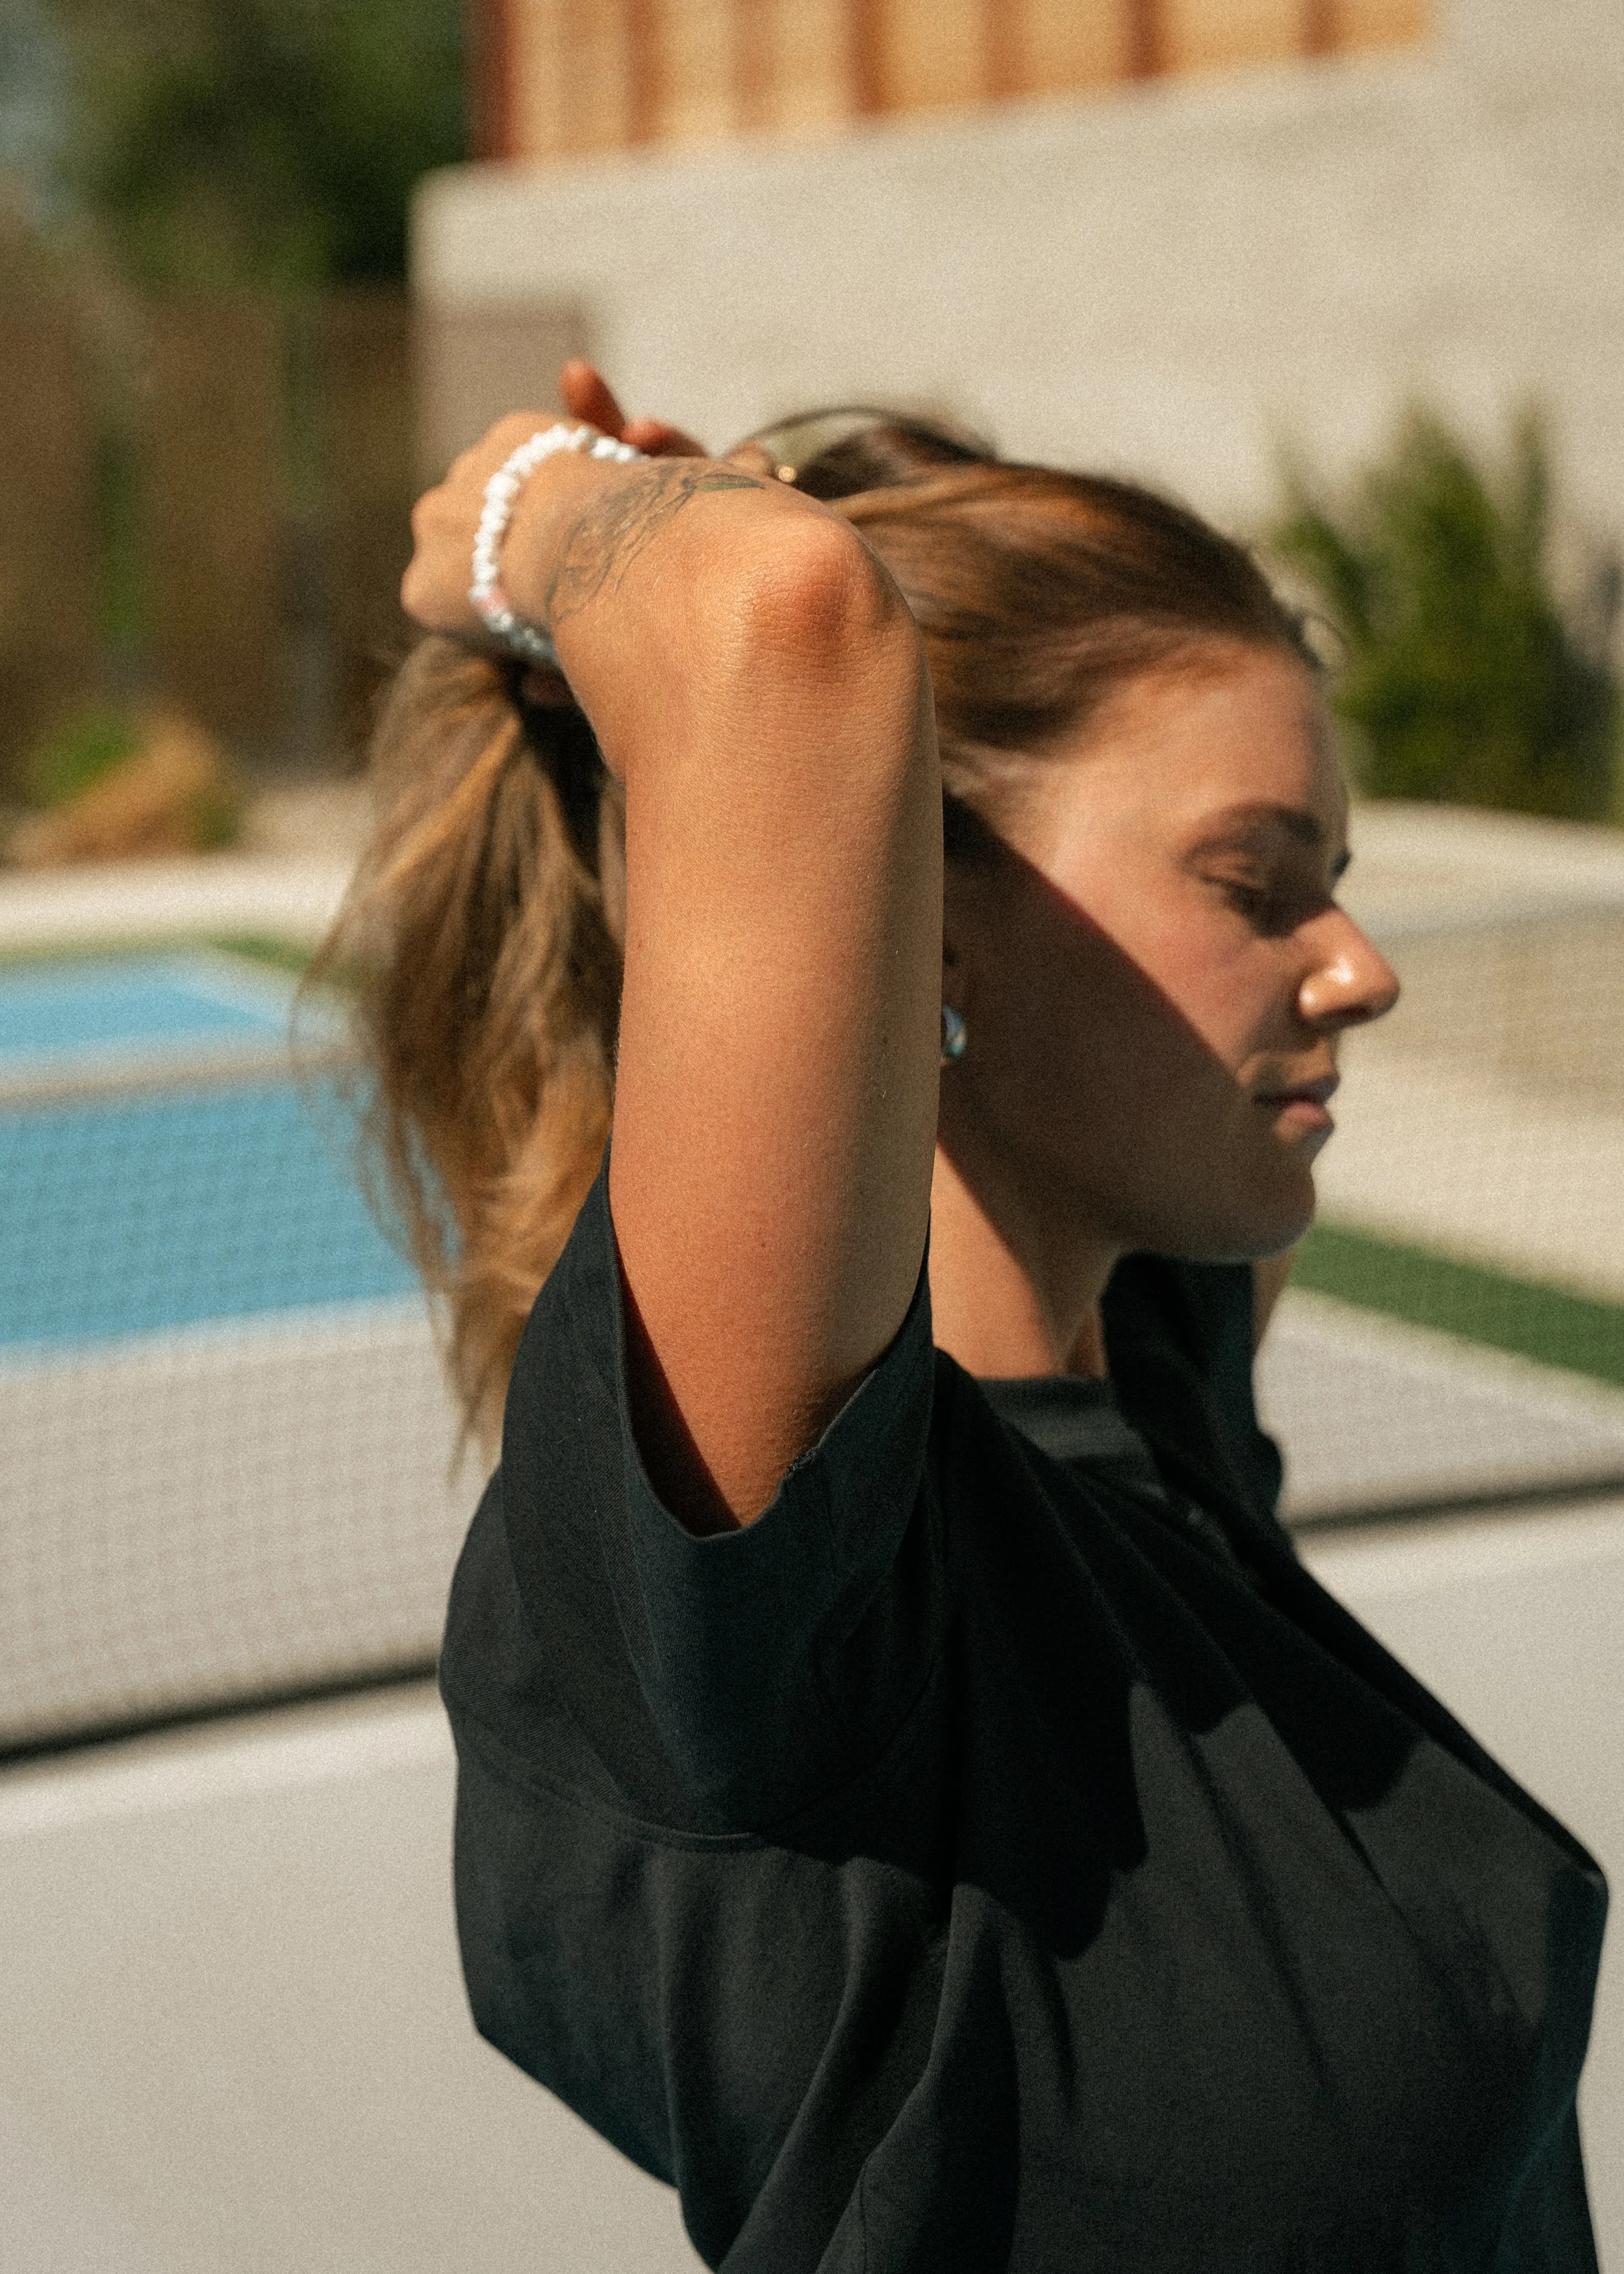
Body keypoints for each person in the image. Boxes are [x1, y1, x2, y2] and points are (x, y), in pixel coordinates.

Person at [332, 363, 1607, 2270]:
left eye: (1332, 881)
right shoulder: (782, 1595)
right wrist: (532, 512)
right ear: (926, 918)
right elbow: (783, 626)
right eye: (1258, 883)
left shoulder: (1148, 1387)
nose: (1357, 967)